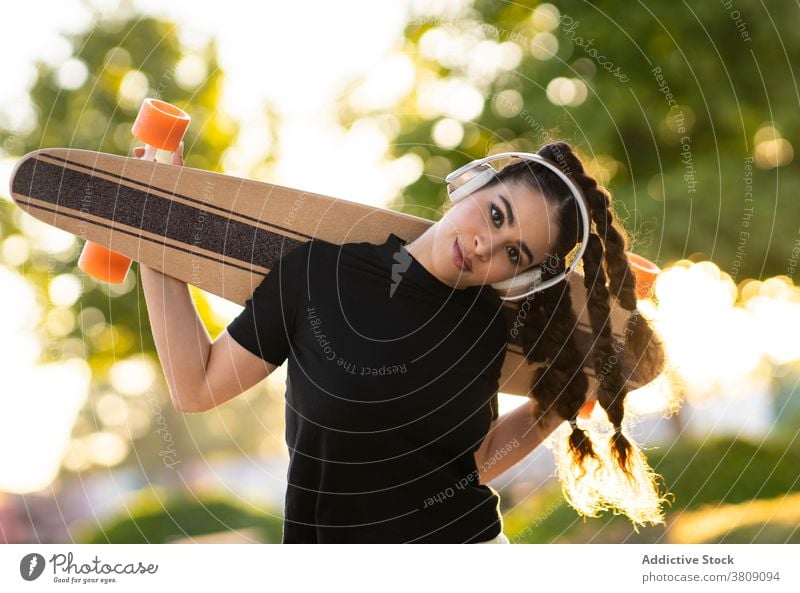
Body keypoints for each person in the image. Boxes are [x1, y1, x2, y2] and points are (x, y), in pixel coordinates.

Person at [139, 140, 668, 543]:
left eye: (514, 254)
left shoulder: (493, 327)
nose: (488, 244)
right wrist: (148, 226)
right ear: (471, 184)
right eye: (496, 213)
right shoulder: (320, 276)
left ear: (524, 276)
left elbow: (474, 463)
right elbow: (197, 386)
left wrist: (559, 404)